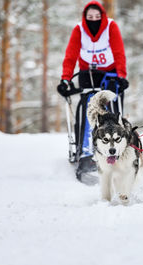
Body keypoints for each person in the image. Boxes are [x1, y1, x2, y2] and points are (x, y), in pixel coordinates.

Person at [57, 1, 129, 180]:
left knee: (112, 111)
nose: (94, 20)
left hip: (110, 74)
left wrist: (121, 76)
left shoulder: (111, 27)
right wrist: (66, 79)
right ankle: (87, 154)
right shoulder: (79, 30)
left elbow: (119, 52)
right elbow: (71, 55)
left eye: (97, 17)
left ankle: (117, 150)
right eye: (90, 17)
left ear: (102, 16)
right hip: (87, 74)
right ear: (85, 17)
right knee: (89, 110)